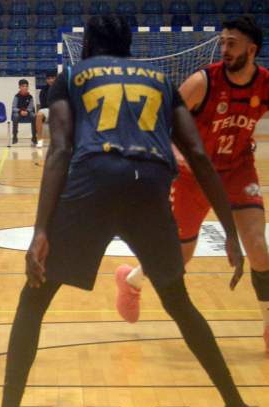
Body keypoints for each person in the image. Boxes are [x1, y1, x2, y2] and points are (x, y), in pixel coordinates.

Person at [0, 15, 260, 407]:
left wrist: (41, 229)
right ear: (127, 46)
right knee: (179, 303)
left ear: (87, 45)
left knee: (34, 300)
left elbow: (61, 148)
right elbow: (196, 152)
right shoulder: (161, 81)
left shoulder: (73, 77)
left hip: (94, 182)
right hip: (151, 188)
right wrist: (229, 230)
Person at [115, 16, 269, 354]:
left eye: (232, 43)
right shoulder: (203, 82)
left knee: (258, 247)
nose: (224, 48)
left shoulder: (265, 83)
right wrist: (174, 154)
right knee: (179, 257)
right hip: (193, 175)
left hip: (237, 170)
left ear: (252, 50)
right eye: (223, 42)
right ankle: (131, 280)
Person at [11, 79, 37, 146]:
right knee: (15, 116)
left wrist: (27, 111)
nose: (25, 88)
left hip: (27, 113)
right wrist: (20, 111)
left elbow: (31, 107)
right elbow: (14, 107)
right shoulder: (16, 96)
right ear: (19, 87)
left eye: (26, 86)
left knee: (33, 116)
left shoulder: (30, 97)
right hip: (19, 113)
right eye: (23, 86)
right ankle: (15, 136)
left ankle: (34, 137)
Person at [35, 71, 57, 148]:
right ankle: (40, 140)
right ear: (46, 80)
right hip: (47, 109)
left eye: (53, 78)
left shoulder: (62, 88)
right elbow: (43, 105)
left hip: (58, 109)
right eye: (49, 78)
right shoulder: (43, 91)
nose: (51, 80)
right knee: (39, 115)